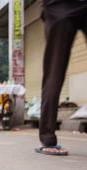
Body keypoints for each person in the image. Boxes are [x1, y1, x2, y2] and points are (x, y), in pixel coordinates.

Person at [35, 0, 87, 156]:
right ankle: (47, 139)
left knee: (54, 70)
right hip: (58, 4)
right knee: (55, 72)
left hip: (59, 7)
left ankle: (47, 139)